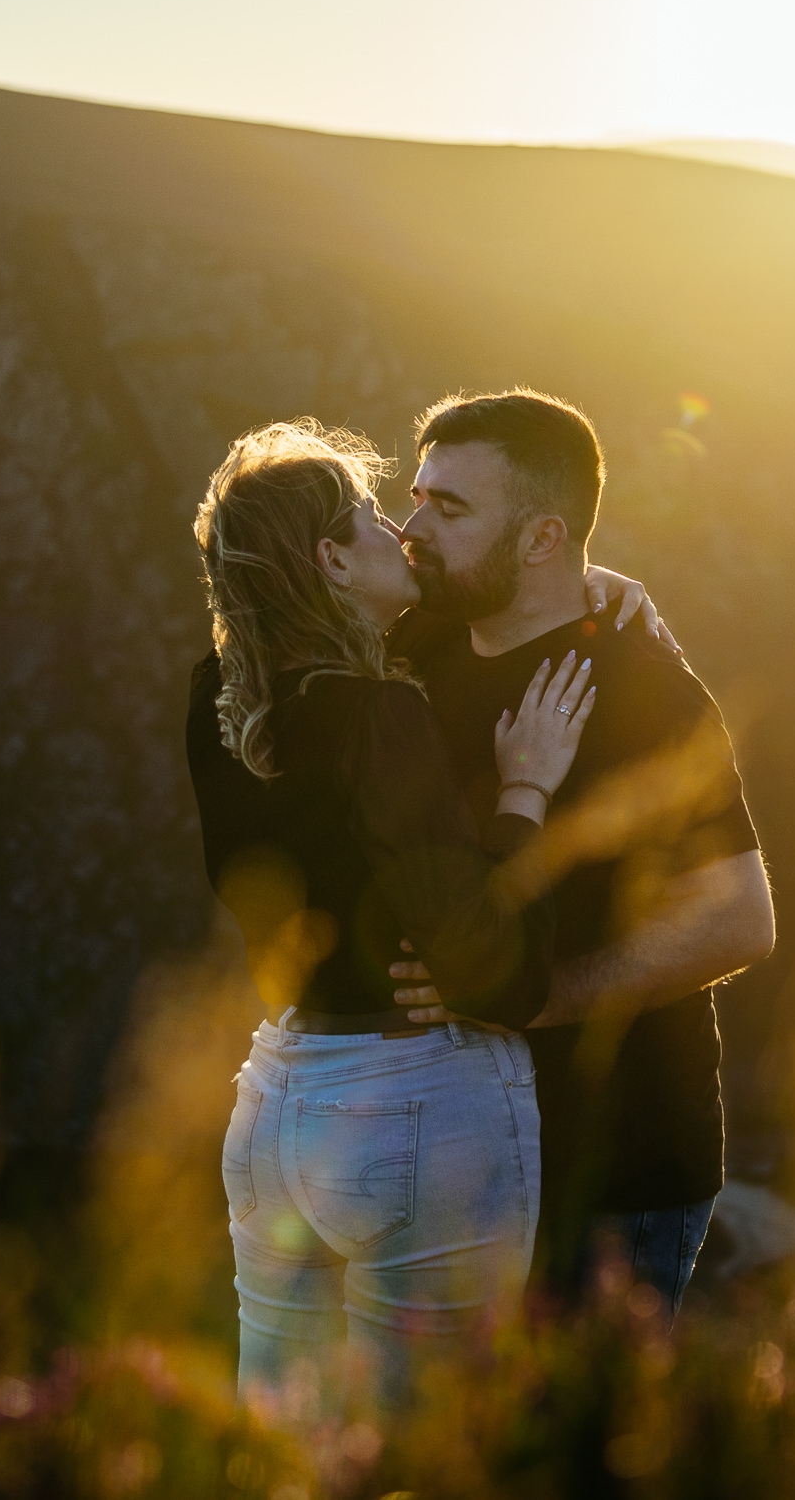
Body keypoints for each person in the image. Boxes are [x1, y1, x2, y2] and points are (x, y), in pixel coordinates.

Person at [184, 419, 653, 1421]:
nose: (401, 531)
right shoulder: (377, 717)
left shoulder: (216, 700)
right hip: (412, 1103)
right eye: (371, 518)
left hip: (273, 1101)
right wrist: (524, 791)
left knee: (278, 1447)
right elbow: (500, 973)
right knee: (430, 1440)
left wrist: (593, 586)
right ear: (330, 560)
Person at [386, 389, 775, 1322]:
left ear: (540, 539)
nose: (412, 527)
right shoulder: (424, 634)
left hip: (611, 1171)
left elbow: (741, 917)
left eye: (450, 508)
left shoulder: (647, 694)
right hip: (443, 1155)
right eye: (418, 495)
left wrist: (534, 994)